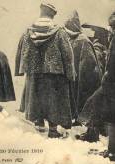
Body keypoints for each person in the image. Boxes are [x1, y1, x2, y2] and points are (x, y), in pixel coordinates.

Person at [20, 2, 76, 138]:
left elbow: (23, 51)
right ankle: (52, 130)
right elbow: (67, 54)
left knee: (37, 98)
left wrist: (24, 69)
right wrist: (70, 72)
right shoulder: (59, 32)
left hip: (35, 72)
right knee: (54, 100)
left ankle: (39, 125)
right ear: (52, 14)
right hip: (55, 72)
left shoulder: (29, 31)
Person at [76, 11, 115, 161]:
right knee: (97, 105)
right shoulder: (110, 39)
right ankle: (94, 136)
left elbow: (111, 62)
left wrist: (107, 76)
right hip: (109, 81)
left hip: (111, 82)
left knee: (105, 110)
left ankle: (111, 151)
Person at [64, 11, 102, 124]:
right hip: (75, 75)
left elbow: (90, 65)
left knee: (80, 95)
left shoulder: (83, 41)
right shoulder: (75, 39)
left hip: (82, 77)